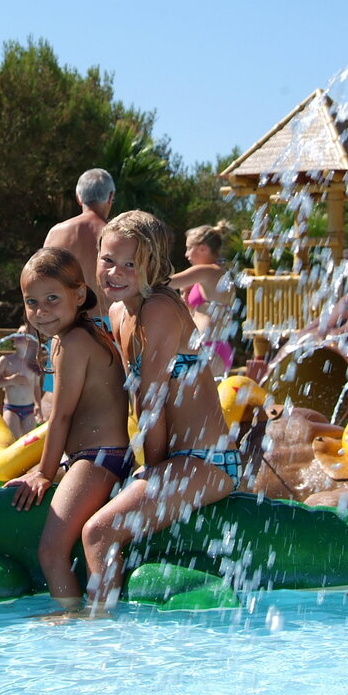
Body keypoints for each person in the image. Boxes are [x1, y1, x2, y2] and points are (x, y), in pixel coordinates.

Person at [82, 211, 238, 612]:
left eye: (130, 264)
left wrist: (148, 474)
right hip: (175, 461)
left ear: (152, 265)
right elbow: (129, 396)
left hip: (208, 461)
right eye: (108, 260)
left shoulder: (160, 310)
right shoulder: (118, 313)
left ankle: (99, 630)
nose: (115, 272)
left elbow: (151, 406)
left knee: (98, 533)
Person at [6, 248, 130, 613]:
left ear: (78, 295)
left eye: (52, 299)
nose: (41, 310)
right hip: (103, 458)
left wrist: (44, 473)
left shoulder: (71, 343)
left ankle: (76, 616)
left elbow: (60, 417)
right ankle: (92, 613)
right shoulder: (89, 333)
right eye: (31, 302)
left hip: (97, 460)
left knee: (50, 550)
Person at [41, 168, 116, 417]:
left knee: (55, 397)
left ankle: (57, 452)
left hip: (66, 327)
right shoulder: (116, 235)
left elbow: (40, 285)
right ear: (111, 197)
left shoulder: (57, 233)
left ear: (78, 197)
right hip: (108, 328)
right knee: (109, 399)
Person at [169, 221, 237, 377]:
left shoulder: (206, 271)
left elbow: (167, 282)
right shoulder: (221, 274)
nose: (186, 255)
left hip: (206, 348)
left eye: (188, 248)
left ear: (203, 249)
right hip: (219, 347)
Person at [0, 326, 44, 440]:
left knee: (29, 443)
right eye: (18, 333)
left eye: (24, 333)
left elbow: (36, 387)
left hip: (29, 409)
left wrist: (38, 406)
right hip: (11, 409)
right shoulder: (6, 361)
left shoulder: (34, 364)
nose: (20, 335)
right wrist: (10, 380)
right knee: (13, 440)